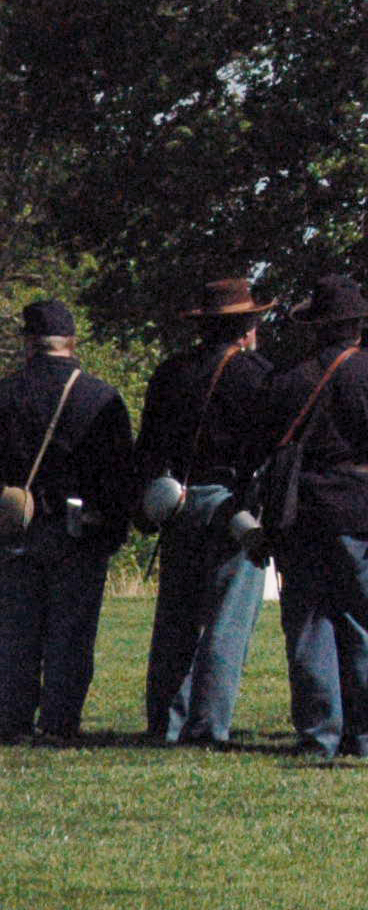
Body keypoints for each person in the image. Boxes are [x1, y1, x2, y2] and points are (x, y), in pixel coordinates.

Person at [260, 274, 368, 760]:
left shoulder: (288, 380)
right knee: (365, 628)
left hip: (301, 513)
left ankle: (319, 733)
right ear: (360, 325)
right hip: (366, 513)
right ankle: (366, 735)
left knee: (309, 627)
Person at [135, 276, 276, 747]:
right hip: (233, 505)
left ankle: (164, 722)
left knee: (174, 621)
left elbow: (148, 448)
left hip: (175, 500)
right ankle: (208, 727)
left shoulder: (170, 373)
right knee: (226, 625)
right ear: (248, 325)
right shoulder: (259, 377)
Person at [0, 299, 138, 743]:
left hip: (16, 526)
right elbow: (120, 475)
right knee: (70, 635)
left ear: (28, 344)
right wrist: (114, 530)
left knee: (16, 632)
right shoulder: (99, 397)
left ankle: (12, 719)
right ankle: (59, 722)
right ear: (73, 343)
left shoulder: (5, 394)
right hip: (80, 529)